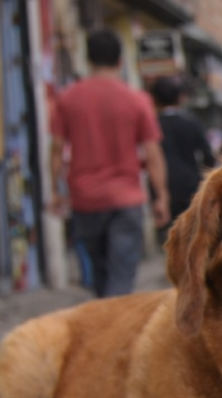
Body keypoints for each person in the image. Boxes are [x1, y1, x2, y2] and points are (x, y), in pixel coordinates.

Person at [49, 29, 169, 297]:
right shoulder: (138, 100)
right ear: (119, 61)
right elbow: (152, 153)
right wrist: (161, 195)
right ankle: (114, 330)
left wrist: (56, 192)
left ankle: (106, 323)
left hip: (85, 199)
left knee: (100, 275)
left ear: (88, 60)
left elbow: (56, 149)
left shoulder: (67, 99)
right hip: (125, 199)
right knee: (121, 275)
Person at [149, 76, 216, 235]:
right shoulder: (191, 123)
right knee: (190, 233)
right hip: (189, 186)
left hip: (160, 186)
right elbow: (209, 157)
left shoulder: (151, 125)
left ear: (154, 99)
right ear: (179, 98)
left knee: (165, 236)